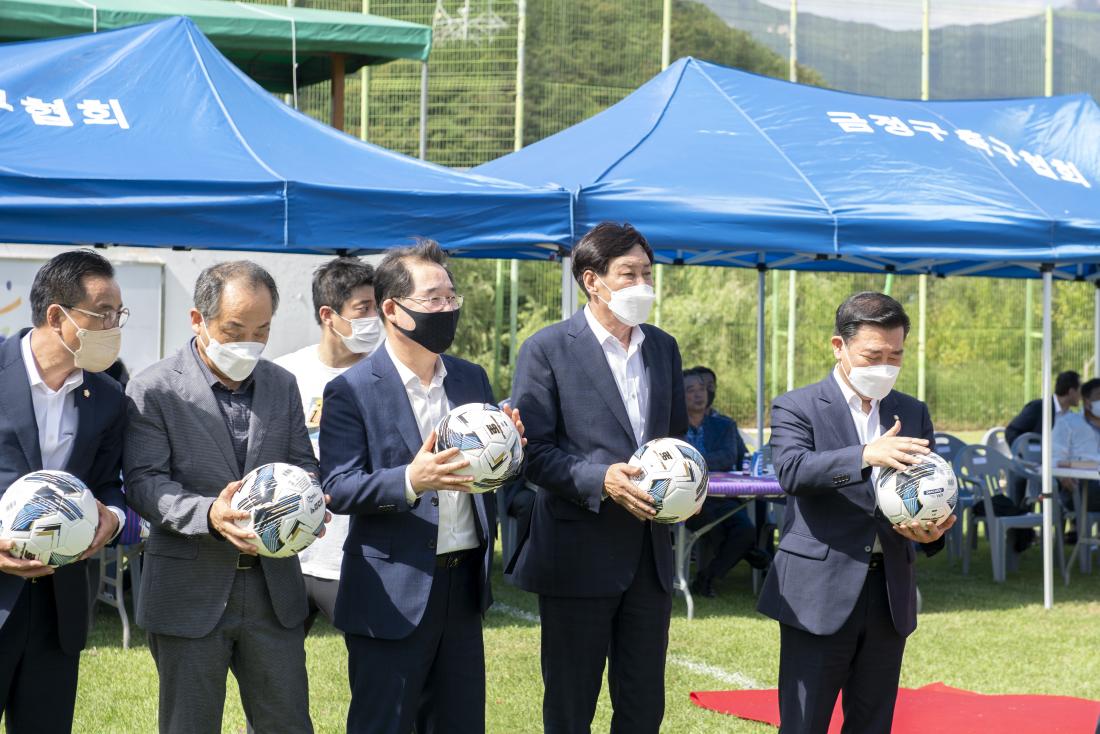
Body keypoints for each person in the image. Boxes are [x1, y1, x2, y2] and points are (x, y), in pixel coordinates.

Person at [320, 239, 518, 734]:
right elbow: (339, 487)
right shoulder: (352, 389)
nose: (448, 308)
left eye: (452, 297)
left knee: (459, 722)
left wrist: (509, 448)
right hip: (392, 591)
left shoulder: (471, 379)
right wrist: (412, 479)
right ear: (393, 308)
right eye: (434, 299)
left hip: (463, 584)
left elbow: (487, 474)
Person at [123, 261, 319, 734]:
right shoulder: (154, 389)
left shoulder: (281, 383)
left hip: (274, 592)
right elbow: (146, 483)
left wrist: (308, 503)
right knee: (188, 725)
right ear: (199, 320)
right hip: (189, 592)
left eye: (262, 329)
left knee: (288, 723)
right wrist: (208, 513)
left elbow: (303, 465)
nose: (249, 341)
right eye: (234, 329)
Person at [508, 222, 688, 734]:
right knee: (570, 704)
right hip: (576, 553)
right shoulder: (547, 349)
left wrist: (685, 486)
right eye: (628, 274)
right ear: (593, 280)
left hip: (649, 558)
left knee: (642, 704)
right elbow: (532, 453)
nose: (642, 286)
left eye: (647, 274)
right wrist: (600, 479)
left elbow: (675, 441)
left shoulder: (663, 348)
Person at [758, 291, 955, 734]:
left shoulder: (912, 410)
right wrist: (866, 453)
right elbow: (791, 471)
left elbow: (927, 487)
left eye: (896, 354)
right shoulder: (797, 406)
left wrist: (933, 531)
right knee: (804, 722)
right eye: (873, 355)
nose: (885, 365)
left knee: (872, 722)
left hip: (888, 593)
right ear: (839, 347)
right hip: (818, 592)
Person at [0, 250, 128, 733]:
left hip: (61, 605)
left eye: (120, 314)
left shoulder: (110, 397)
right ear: (57, 316)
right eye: (104, 314)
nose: (115, 326)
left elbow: (109, 486)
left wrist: (111, 519)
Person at [274, 256, 381, 632]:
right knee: (278, 674)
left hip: (354, 554)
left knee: (373, 668)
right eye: (362, 308)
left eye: (377, 308)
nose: (374, 319)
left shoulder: (384, 374)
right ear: (328, 314)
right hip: (293, 552)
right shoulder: (285, 373)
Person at [682, 368, 766, 598]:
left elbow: (728, 458)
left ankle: (707, 577)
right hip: (688, 499)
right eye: (690, 390)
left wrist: (692, 461)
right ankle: (749, 555)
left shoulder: (724, 425)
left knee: (746, 531)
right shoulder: (672, 426)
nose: (699, 395)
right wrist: (706, 461)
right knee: (717, 529)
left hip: (725, 498)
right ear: (679, 395)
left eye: (702, 389)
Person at [1051, 377, 1100, 513]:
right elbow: (1054, 459)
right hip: (1080, 488)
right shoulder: (1067, 424)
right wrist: (1063, 476)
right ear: (1086, 401)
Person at [1005, 370, 1080, 448]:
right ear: (1071, 392)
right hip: (1034, 459)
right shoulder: (1038, 408)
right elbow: (1011, 432)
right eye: (1080, 390)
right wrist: (1026, 452)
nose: (1081, 395)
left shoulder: (1071, 416)